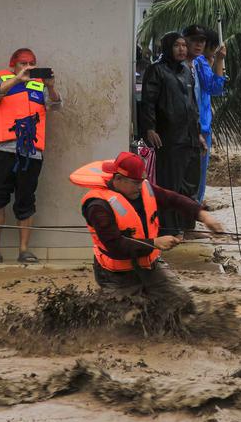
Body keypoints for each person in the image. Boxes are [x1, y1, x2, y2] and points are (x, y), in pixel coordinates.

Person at [69, 151, 223, 308]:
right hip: (115, 274)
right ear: (118, 179)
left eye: (142, 181)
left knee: (183, 304)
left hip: (149, 265)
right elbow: (115, 246)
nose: (140, 186)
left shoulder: (143, 188)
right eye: (135, 182)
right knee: (131, 320)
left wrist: (203, 215)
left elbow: (173, 199)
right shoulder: (98, 206)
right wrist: (154, 242)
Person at [0, 48, 64, 264]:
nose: (27, 67)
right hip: (3, 150)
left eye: (31, 63)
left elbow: (56, 106)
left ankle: (24, 250)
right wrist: (17, 79)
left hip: (30, 153)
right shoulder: (2, 80)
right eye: (23, 63)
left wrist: (51, 87)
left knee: (26, 200)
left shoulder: (39, 86)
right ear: (13, 65)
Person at [138, 32, 202, 234]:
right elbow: (148, 101)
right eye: (177, 45)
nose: (182, 49)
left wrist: (198, 134)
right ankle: (169, 229)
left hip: (190, 138)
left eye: (184, 45)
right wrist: (150, 128)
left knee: (190, 185)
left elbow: (192, 105)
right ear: (167, 48)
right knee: (170, 186)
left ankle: (186, 226)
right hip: (169, 137)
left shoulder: (186, 71)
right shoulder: (156, 70)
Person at [182, 24, 228, 203]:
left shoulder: (198, 63)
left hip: (202, 127)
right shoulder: (199, 62)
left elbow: (213, 89)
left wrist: (217, 61)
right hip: (196, 127)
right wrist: (219, 61)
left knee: (197, 174)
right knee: (194, 174)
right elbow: (215, 87)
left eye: (202, 41)